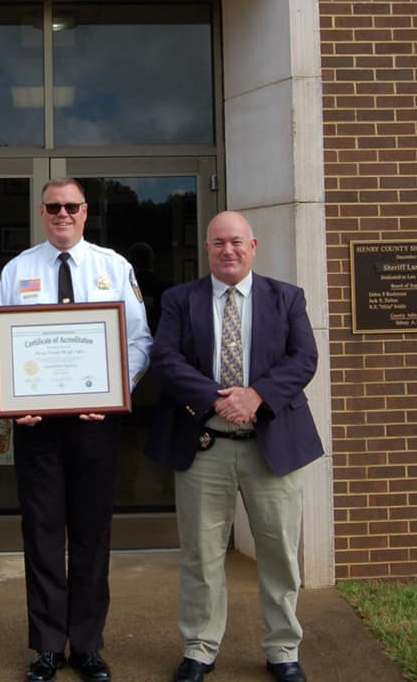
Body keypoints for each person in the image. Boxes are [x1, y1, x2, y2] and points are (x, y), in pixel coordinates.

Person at [0, 178, 151, 682]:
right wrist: (10, 402)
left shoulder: (112, 267)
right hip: (36, 427)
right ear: (42, 211)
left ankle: (89, 645)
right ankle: (48, 645)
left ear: (85, 211)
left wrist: (118, 390)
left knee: (93, 534)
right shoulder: (17, 269)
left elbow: (139, 341)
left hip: (96, 424)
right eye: (53, 207)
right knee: (43, 534)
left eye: (70, 206)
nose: (62, 214)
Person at [145, 210, 324, 682]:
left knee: (280, 553)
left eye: (237, 242)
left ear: (253, 245)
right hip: (206, 445)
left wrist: (257, 396)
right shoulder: (180, 299)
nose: (228, 250)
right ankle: (200, 648)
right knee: (201, 554)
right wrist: (218, 399)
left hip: (272, 445)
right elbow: (164, 357)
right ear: (207, 248)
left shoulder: (286, 297)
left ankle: (283, 649)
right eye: (219, 243)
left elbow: (304, 357)